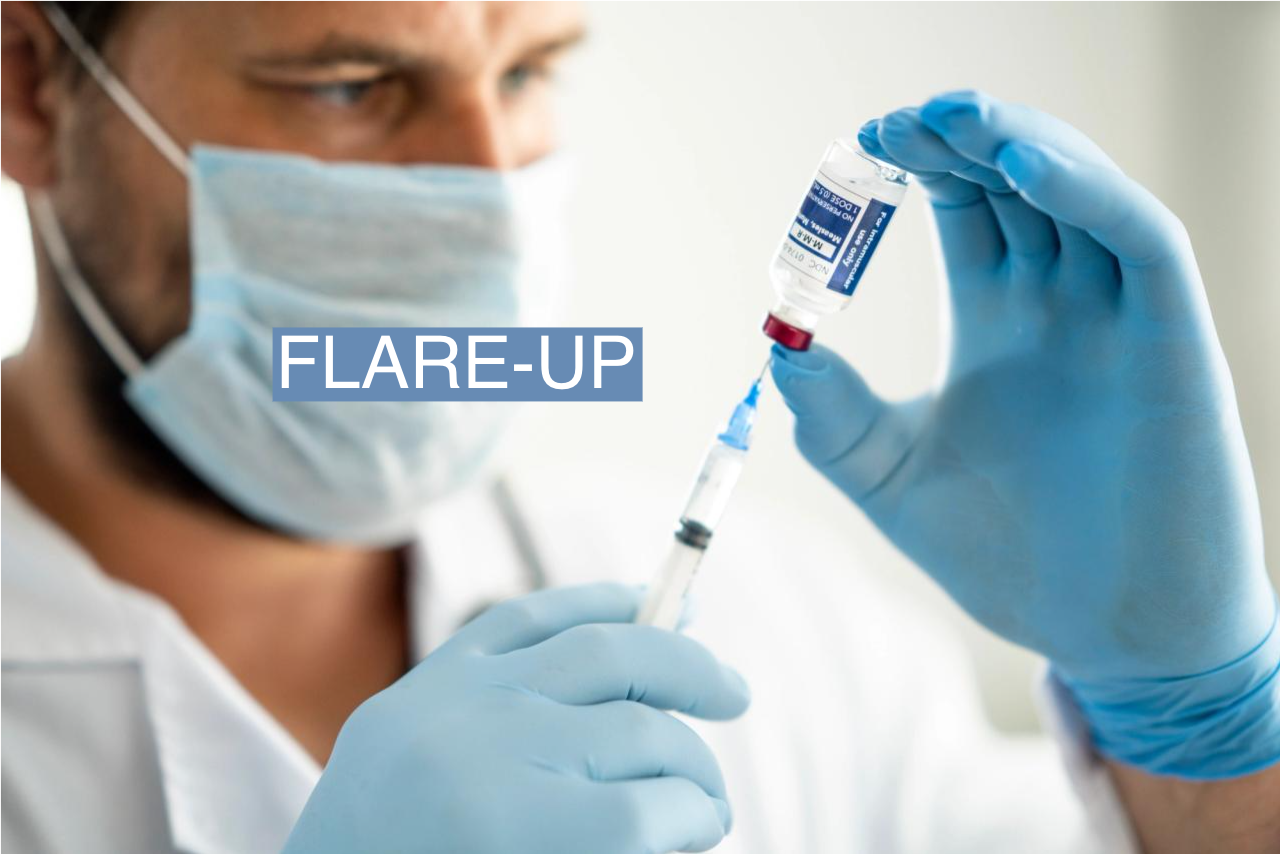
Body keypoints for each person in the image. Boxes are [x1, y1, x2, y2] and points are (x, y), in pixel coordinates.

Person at [0, 0, 1276, 852]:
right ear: (30, 89)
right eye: (349, 84)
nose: (489, 186)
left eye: (528, 69)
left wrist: (1194, 739)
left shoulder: (794, 640)